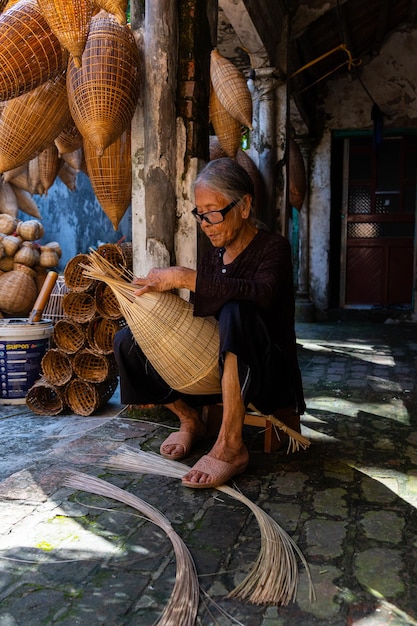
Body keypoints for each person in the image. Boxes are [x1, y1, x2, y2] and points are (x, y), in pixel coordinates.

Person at [114, 157, 305, 489]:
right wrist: (157, 311)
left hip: (266, 370)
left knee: (237, 310)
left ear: (244, 206)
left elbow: (261, 294)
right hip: (213, 368)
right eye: (200, 213)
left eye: (213, 211)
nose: (205, 222)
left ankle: (231, 446)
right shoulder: (212, 257)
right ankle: (190, 420)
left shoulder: (274, 248)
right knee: (129, 340)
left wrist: (186, 278)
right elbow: (200, 318)